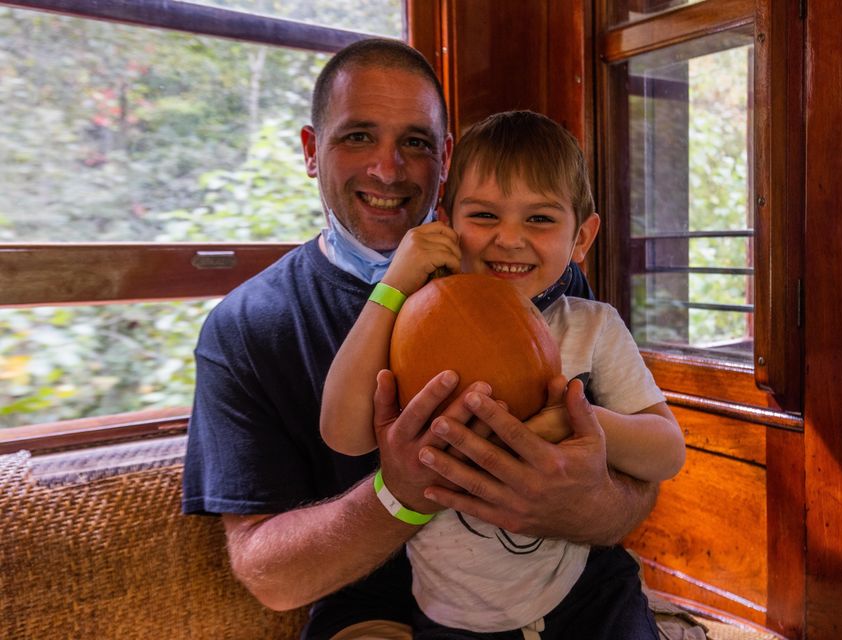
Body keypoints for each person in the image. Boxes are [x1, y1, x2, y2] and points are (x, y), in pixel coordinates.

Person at [182, 37, 662, 640]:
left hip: (567, 588)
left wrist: (575, 502)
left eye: (415, 142)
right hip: (378, 607)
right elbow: (270, 576)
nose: (388, 169)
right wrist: (404, 492)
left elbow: (639, 483)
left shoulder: (526, 275)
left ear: (445, 157)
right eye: (358, 136)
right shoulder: (247, 327)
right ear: (311, 150)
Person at [319, 110, 685, 638]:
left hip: (589, 598)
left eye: (538, 219)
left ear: (581, 237)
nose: (508, 239)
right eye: (484, 216)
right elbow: (343, 432)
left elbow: (667, 451)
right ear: (445, 224)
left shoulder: (593, 326)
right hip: (452, 617)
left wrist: (580, 421)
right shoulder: (411, 320)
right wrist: (394, 283)